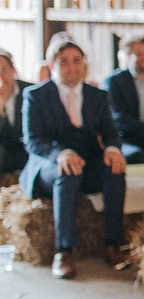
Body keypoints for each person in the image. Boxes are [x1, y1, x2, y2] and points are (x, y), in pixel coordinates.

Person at [20, 35, 127, 280]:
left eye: (76, 61)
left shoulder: (97, 95)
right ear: (52, 64)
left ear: (83, 64)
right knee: (67, 171)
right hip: (49, 163)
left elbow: (111, 132)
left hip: (87, 160)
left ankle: (114, 243)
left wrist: (112, 149)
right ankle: (64, 250)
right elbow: (33, 140)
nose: (71, 67)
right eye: (64, 62)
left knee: (115, 169)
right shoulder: (36, 95)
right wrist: (60, 154)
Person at [103, 35, 144, 164]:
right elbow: (117, 117)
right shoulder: (114, 82)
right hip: (126, 138)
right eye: (139, 54)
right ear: (128, 55)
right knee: (137, 155)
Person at [0, 49, 32, 174]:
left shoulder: (31, 92)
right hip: (4, 152)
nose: (1, 78)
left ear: (13, 70)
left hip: (28, 148)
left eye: (4, 70)